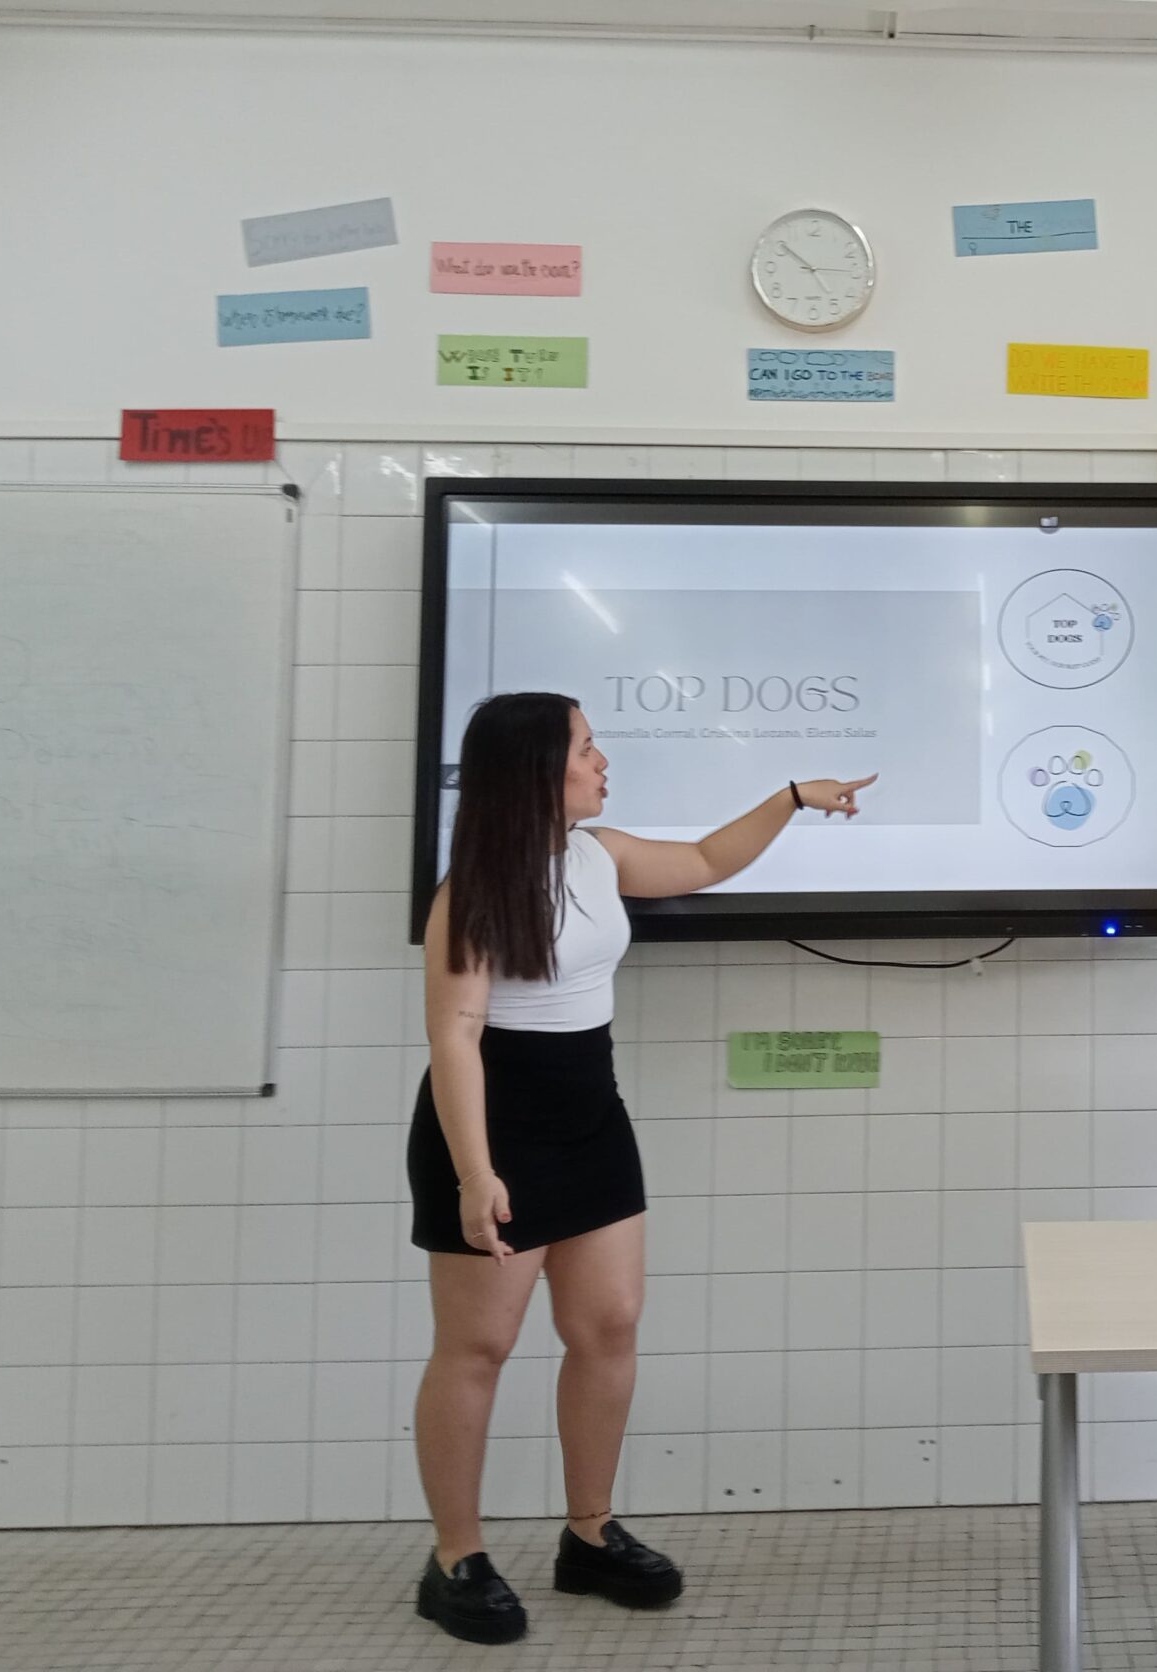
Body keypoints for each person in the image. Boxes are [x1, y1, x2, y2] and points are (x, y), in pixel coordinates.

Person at [405, 690, 872, 1645]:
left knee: (608, 1326)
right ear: (536, 771)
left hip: (591, 1119)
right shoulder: (471, 892)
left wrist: (792, 796)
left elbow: (703, 861)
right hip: (494, 1130)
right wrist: (475, 1174)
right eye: (586, 747)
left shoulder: (598, 852)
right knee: (477, 1348)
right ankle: (456, 1557)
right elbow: (454, 1037)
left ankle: (589, 1535)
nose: (602, 761)